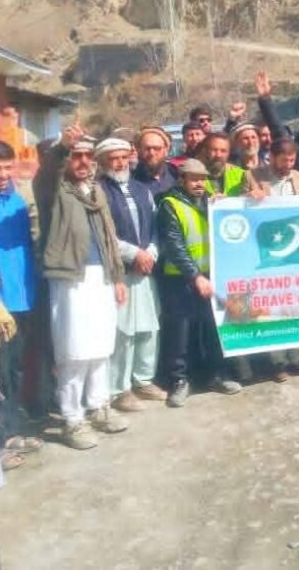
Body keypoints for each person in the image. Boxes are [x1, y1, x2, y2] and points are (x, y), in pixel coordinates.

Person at [37, 124, 128, 450]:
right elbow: (48, 172)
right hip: (70, 279)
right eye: (78, 156)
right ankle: (72, 419)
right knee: (73, 352)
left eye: (89, 156)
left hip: (101, 279)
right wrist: (63, 147)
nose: (84, 161)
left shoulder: (96, 190)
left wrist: (117, 277)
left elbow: (108, 237)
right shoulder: (54, 190)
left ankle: (99, 406)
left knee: (101, 347)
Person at [157, 159, 242, 406]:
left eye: (202, 178)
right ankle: (178, 381)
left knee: (213, 330)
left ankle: (217, 375)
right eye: (193, 179)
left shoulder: (211, 202)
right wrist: (195, 276)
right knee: (180, 333)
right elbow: (174, 246)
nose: (199, 183)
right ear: (181, 180)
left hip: (211, 276)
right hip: (180, 280)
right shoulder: (169, 204)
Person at [95, 138, 166, 412]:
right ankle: (119, 388)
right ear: (102, 161)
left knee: (149, 326)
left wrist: (150, 253)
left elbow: (157, 226)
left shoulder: (141, 188)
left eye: (124, 157)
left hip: (146, 267)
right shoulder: (98, 191)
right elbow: (103, 234)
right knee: (123, 331)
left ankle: (143, 380)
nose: (120, 163)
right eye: (114, 158)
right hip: (120, 271)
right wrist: (133, 254)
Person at [244, 138, 299, 382]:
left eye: (292, 160)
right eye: (284, 159)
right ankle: (277, 362)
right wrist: (248, 196)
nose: (289, 164)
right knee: (275, 308)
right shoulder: (253, 176)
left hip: (298, 255)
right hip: (270, 255)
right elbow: (236, 206)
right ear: (272, 157)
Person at [0, 141, 43, 470]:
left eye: (7, 167)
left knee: (18, 366)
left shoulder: (20, 200)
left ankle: (13, 431)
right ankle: (2, 440)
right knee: (0, 374)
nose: (3, 174)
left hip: (24, 295)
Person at [197, 132, 247, 197]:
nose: (218, 155)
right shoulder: (193, 176)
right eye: (214, 150)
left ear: (229, 153)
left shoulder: (241, 175)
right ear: (205, 150)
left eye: (223, 151)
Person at [133, 127, 177, 199]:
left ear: (166, 150)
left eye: (157, 148)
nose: (152, 153)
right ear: (139, 150)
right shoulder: (132, 180)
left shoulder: (176, 174)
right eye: (147, 149)